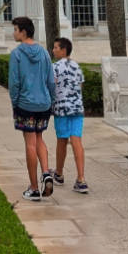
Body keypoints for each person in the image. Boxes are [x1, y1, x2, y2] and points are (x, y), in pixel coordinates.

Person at [7, 16, 56, 201]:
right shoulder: (43, 52)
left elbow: (14, 83)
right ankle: (46, 172)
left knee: (30, 143)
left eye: (15, 29)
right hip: (43, 103)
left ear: (23, 31)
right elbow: (51, 81)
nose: (13, 33)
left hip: (25, 104)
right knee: (39, 138)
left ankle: (34, 188)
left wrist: (15, 102)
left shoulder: (17, 54)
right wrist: (51, 100)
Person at [51, 37, 88, 193]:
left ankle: (59, 174)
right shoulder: (76, 66)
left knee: (62, 141)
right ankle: (81, 179)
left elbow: (51, 86)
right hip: (77, 109)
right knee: (76, 140)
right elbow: (80, 86)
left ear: (63, 50)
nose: (53, 50)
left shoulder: (55, 67)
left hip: (61, 109)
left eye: (55, 47)